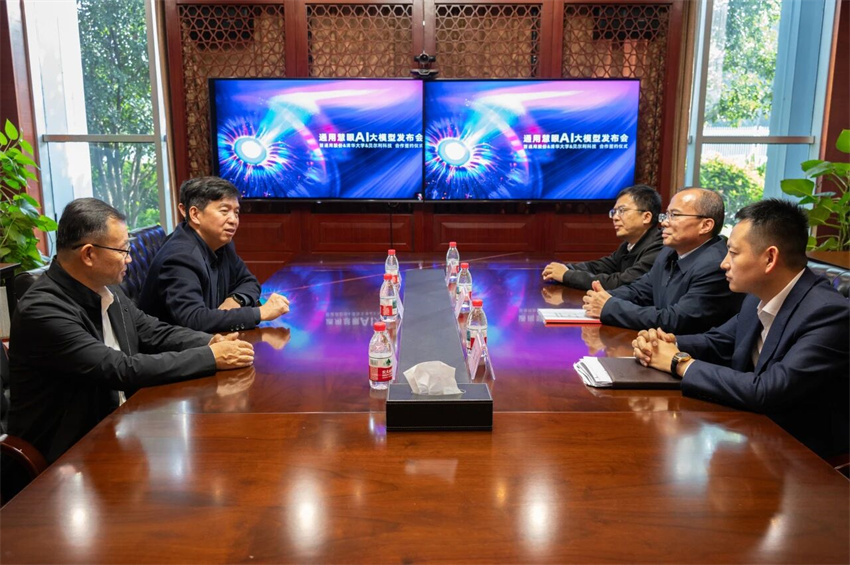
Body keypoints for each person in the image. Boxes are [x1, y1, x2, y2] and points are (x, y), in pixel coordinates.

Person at [8, 198, 255, 463]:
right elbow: (120, 369)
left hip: (121, 425)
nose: (130, 258)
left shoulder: (105, 288)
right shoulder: (43, 309)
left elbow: (152, 331)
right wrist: (211, 357)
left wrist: (210, 341)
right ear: (89, 254)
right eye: (123, 249)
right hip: (67, 454)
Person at [632, 199, 849, 459]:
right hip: (754, 432)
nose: (723, 263)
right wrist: (664, 344)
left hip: (804, 455)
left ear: (770, 258)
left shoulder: (828, 313)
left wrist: (678, 362)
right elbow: (717, 342)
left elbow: (768, 390)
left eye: (733, 253)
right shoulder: (756, 297)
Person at [138, 176, 290, 333]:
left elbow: (249, 281)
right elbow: (194, 319)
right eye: (224, 211)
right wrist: (260, 313)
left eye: (236, 212)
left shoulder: (223, 244)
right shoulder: (180, 257)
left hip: (209, 339)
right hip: (175, 346)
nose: (233, 220)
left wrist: (234, 300)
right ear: (195, 214)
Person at [582, 187, 743, 333]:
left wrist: (610, 306)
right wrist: (603, 297)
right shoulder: (668, 252)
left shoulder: (715, 265)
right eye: (666, 215)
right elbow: (640, 291)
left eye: (674, 215)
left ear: (705, 225)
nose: (664, 222)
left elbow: (676, 320)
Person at [542, 184, 663, 290]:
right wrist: (565, 268)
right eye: (614, 212)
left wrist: (567, 275)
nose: (615, 217)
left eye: (622, 211)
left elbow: (621, 283)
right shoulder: (628, 245)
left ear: (646, 217)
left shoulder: (659, 246)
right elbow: (599, 267)